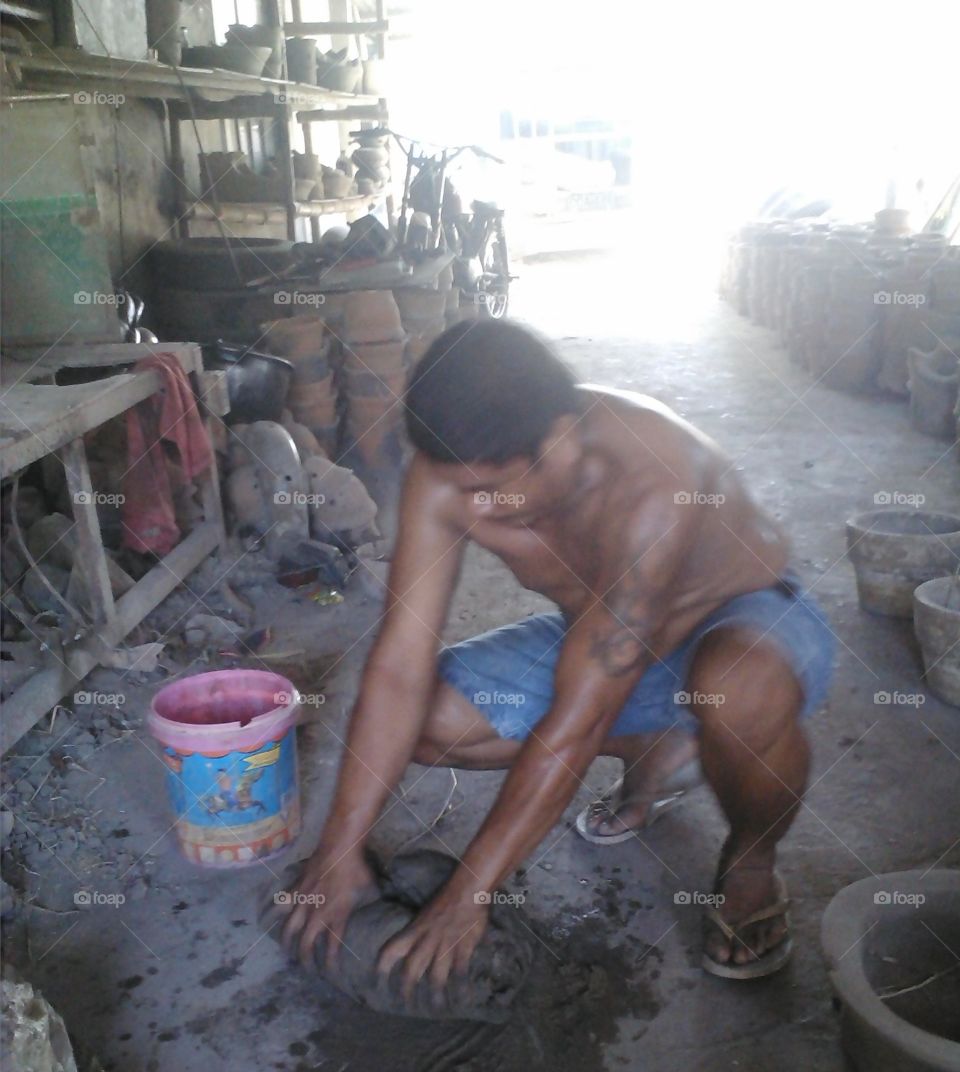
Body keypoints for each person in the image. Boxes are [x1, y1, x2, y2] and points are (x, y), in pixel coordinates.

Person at [279, 320, 835, 991]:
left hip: (748, 623)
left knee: (737, 690)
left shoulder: (654, 477)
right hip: (608, 649)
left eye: (495, 488)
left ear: (563, 439)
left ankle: (751, 862)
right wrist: (338, 851)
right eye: (465, 487)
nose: (476, 507)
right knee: (431, 717)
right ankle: (656, 747)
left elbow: (578, 718)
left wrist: (467, 895)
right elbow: (399, 667)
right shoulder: (448, 472)